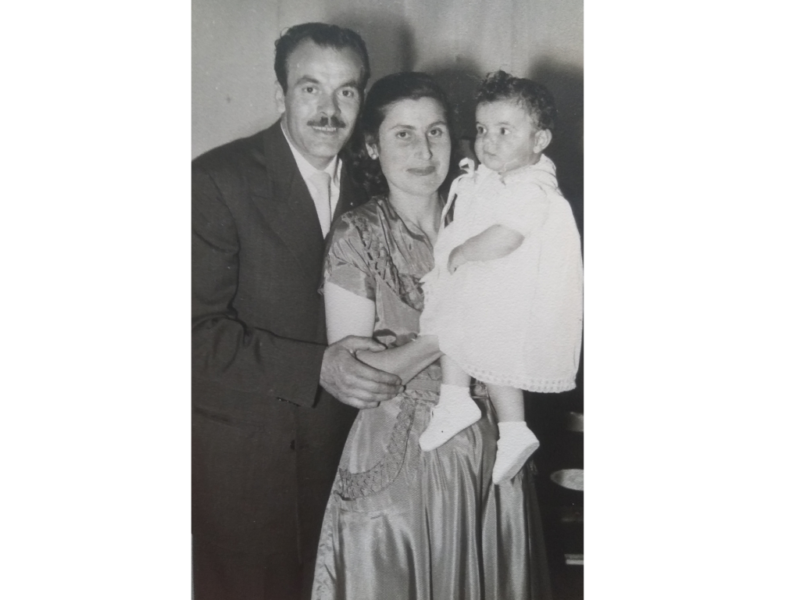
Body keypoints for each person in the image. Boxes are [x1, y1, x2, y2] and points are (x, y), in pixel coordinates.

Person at [311, 72, 551, 600]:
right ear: (371, 146)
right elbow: (360, 376)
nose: (424, 149)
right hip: (402, 459)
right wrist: (448, 333)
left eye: (436, 131)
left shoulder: (488, 212)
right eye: (403, 134)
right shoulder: (359, 233)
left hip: (493, 451)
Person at [192, 23, 402, 600]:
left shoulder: (375, 181)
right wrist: (316, 367)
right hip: (246, 476)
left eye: (347, 91)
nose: (329, 111)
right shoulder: (215, 180)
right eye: (311, 89)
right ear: (280, 94)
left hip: (349, 465)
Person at [418, 71, 584, 484]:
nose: (488, 141)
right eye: (481, 129)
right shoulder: (503, 179)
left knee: (463, 330)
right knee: (486, 353)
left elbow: (506, 237)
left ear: (540, 140)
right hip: (499, 291)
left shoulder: (532, 188)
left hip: (504, 288)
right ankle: (505, 426)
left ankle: (467, 404)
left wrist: (459, 255)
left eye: (504, 131)